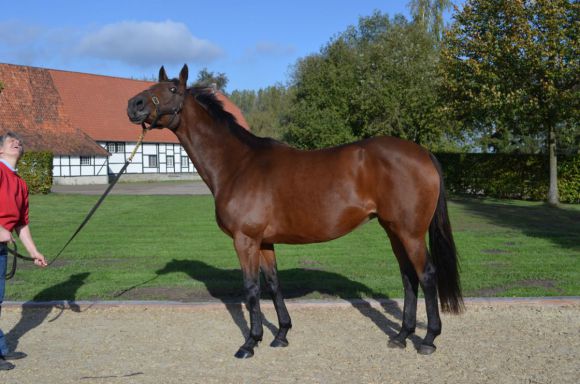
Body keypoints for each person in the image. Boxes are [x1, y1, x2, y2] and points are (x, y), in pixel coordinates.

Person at [0, 131, 47, 371]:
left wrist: (34, 252)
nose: (17, 142)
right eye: (11, 141)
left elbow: (21, 224)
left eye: (19, 141)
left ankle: (1, 349)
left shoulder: (20, 183)